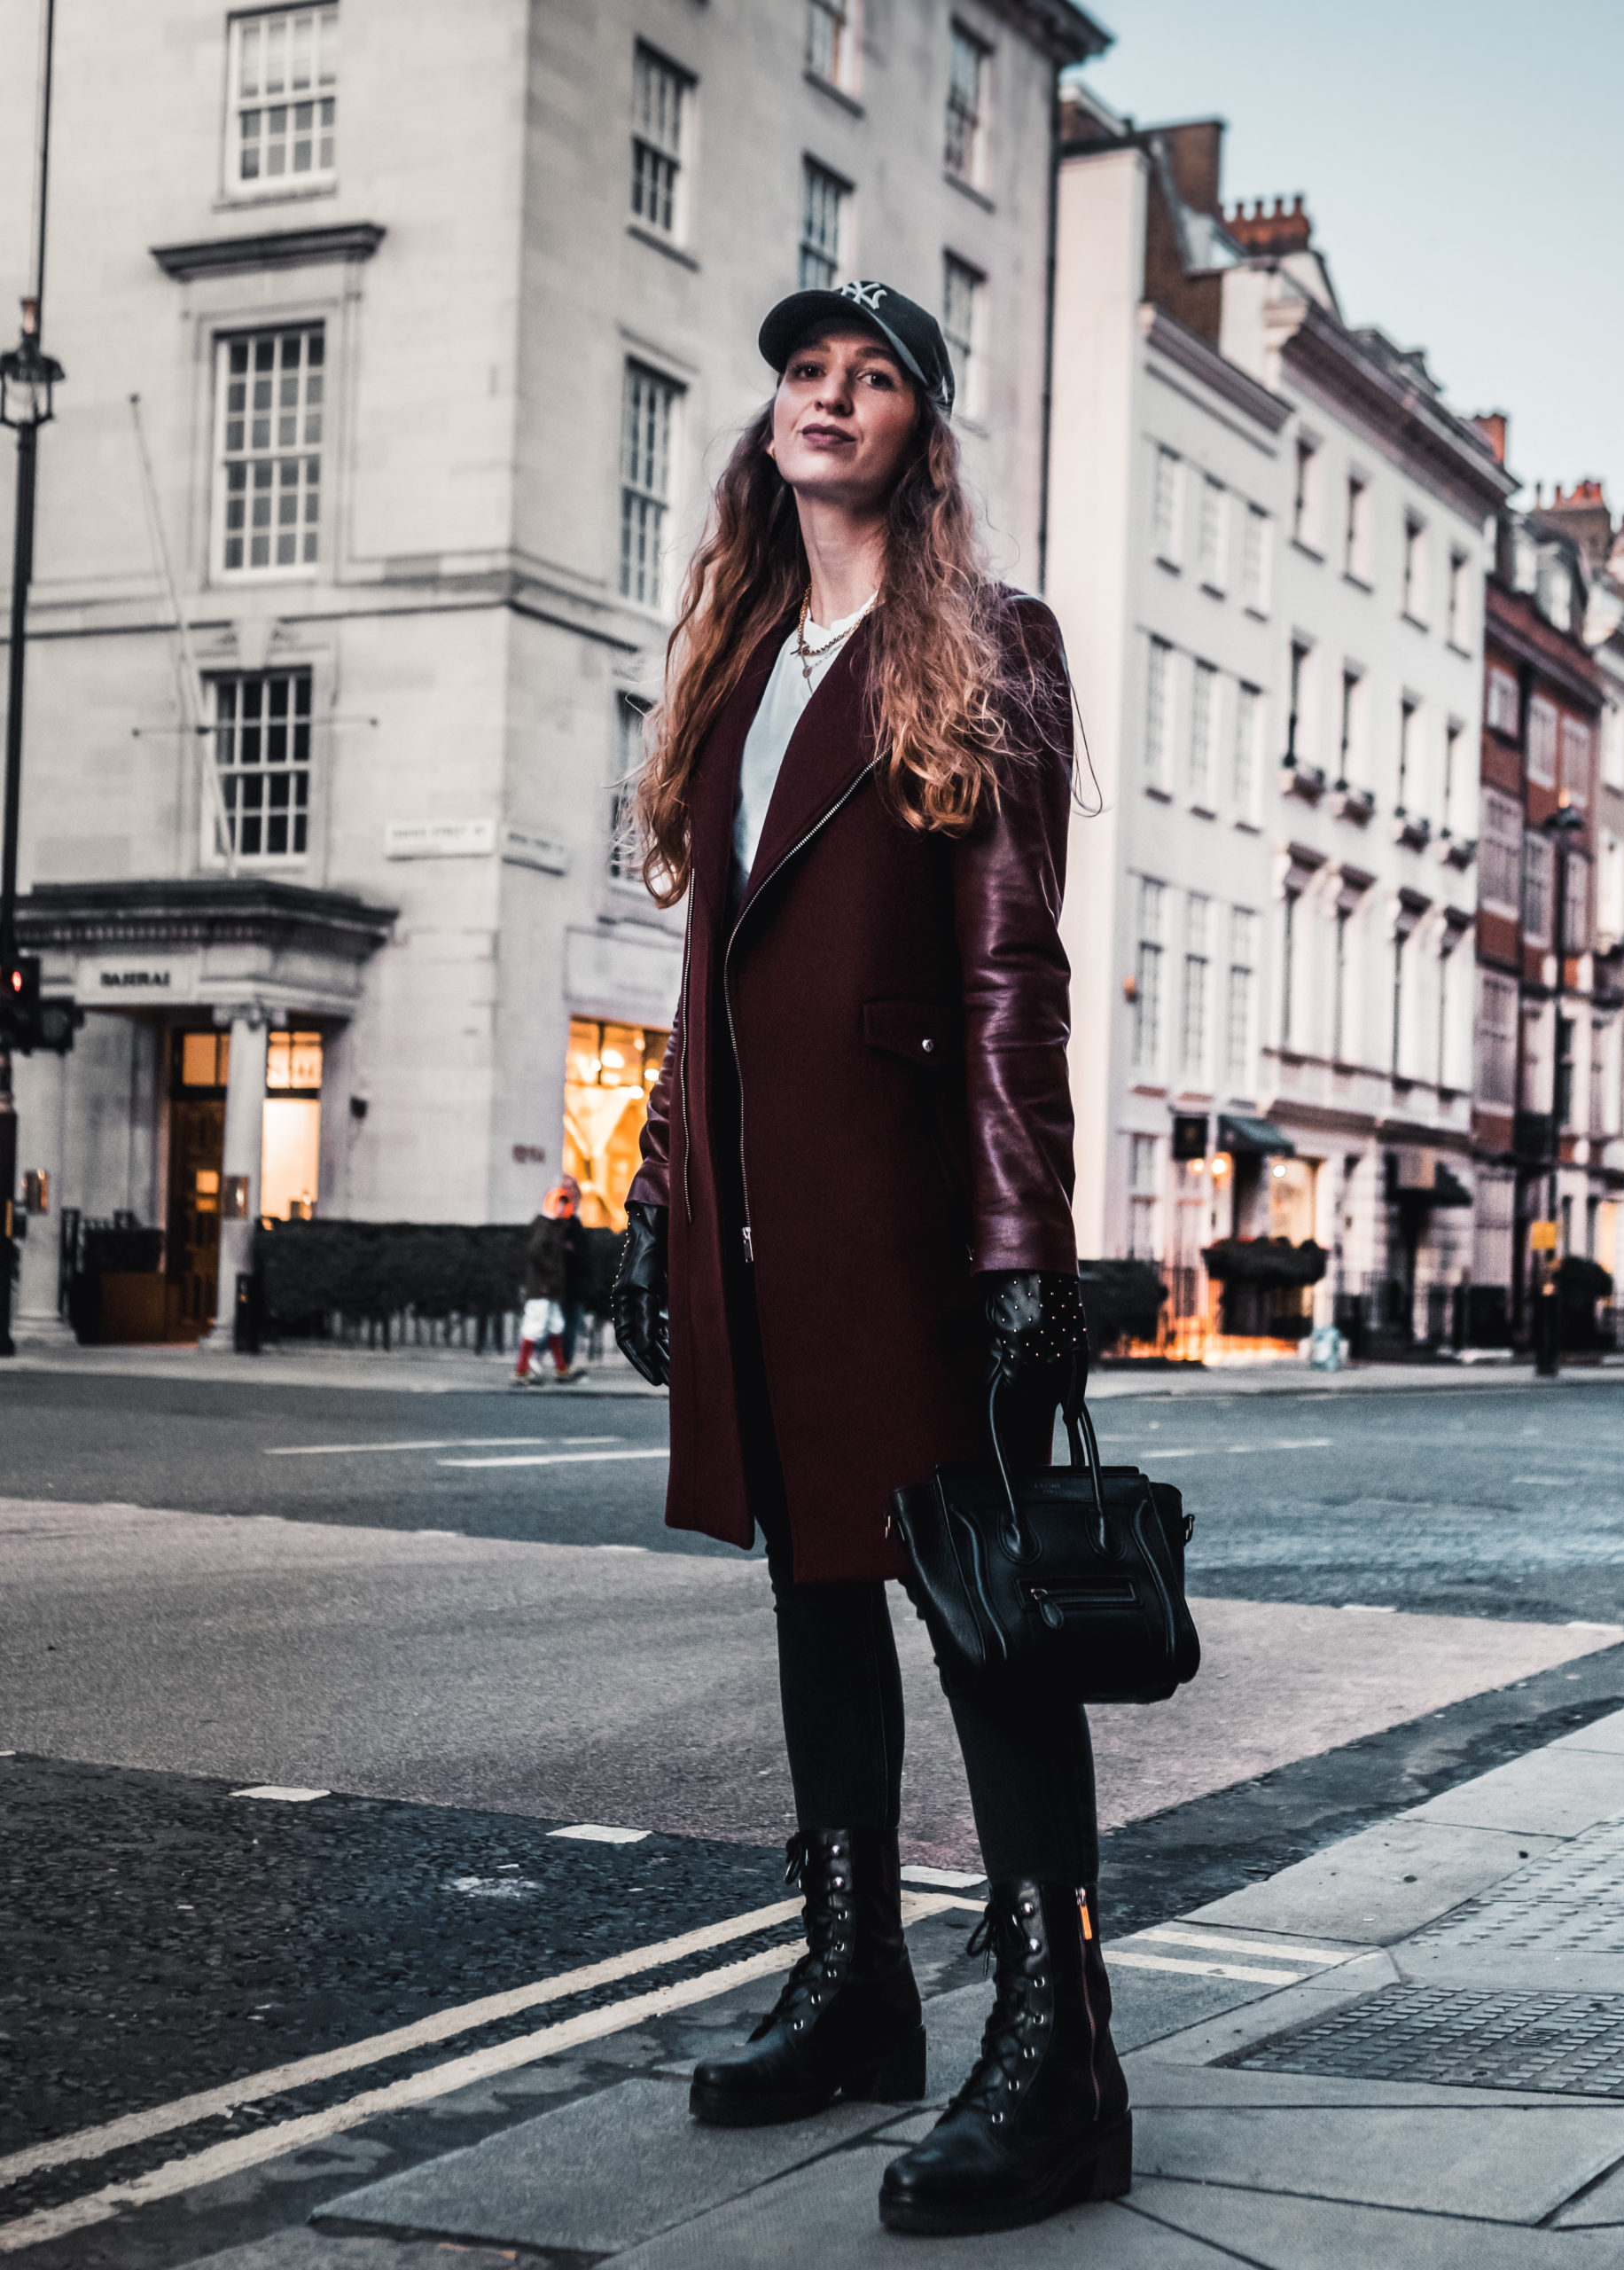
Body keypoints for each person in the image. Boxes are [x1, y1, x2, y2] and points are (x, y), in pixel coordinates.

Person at [609, 278, 1125, 2238]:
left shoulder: (992, 646)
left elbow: (1012, 968)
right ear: (772, 422)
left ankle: (1060, 2048)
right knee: (812, 1594)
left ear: (920, 432)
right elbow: (703, 977)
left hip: (906, 1203)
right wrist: (661, 1189)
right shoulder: (741, 654)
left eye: (876, 376)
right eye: (806, 373)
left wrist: (1023, 1248)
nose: (832, 397)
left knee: (980, 1615)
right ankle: (857, 1986)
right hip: (754, 1200)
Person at [513, 1181, 588, 1385]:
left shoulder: (554, 1225)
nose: (562, 1208)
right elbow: (536, 1252)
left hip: (551, 1288)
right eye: (559, 1203)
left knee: (556, 1326)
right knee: (534, 1327)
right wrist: (550, 1273)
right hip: (542, 1288)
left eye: (564, 1204)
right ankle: (522, 1371)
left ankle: (560, 1369)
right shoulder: (545, 1225)